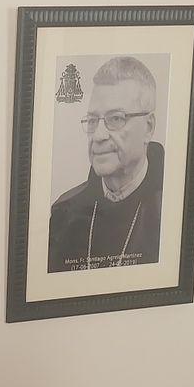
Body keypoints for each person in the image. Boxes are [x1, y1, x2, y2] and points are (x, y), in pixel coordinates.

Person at [47, 56, 164, 272]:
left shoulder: (172, 210)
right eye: (92, 121)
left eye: (116, 118)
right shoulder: (64, 214)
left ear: (148, 127)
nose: (98, 135)